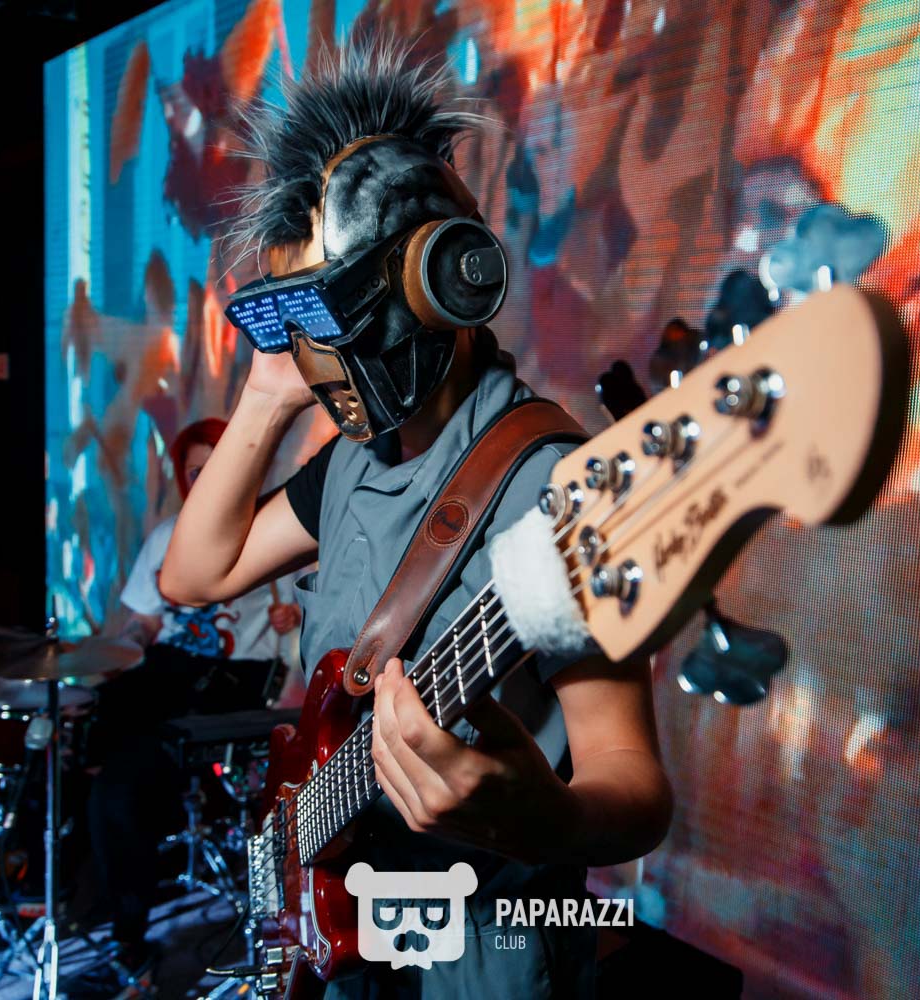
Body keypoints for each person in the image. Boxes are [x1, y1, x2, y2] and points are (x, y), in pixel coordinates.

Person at [162, 39, 672, 999]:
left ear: (449, 279)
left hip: (484, 953)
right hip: (353, 938)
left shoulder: (555, 491)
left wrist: (544, 820)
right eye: (296, 320)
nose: (316, 353)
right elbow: (193, 576)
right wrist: (267, 394)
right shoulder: (356, 463)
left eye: (327, 315)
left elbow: (635, 789)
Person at [67, 417, 304, 999]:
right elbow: (144, 625)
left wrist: (297, 618)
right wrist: (104, 658)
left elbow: (316, 636)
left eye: (219, 464)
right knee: (70, 730)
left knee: (121, 785)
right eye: (196, 470)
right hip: (165, 670)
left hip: (229, 683)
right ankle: (67, 890)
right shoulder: (168, 535)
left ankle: (129, 942)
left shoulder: (275, 528)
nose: (208, 479)